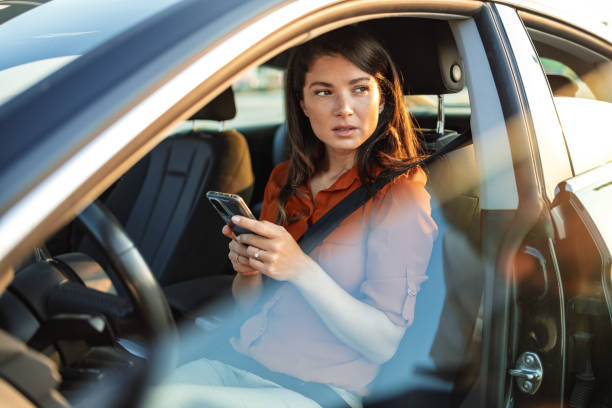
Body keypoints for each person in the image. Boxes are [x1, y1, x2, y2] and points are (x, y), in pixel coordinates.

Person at [149, 26, 437, 408]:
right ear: (302, 103)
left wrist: (300, 267)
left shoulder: (400, 193)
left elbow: (383, 343)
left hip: (315, 390)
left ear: (382, 99)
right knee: (137, 392)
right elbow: (248, 306)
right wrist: (248, 271)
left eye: (359, 89)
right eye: (323, 92)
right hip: (238, 360)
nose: (344, 108)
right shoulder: (285, 179)